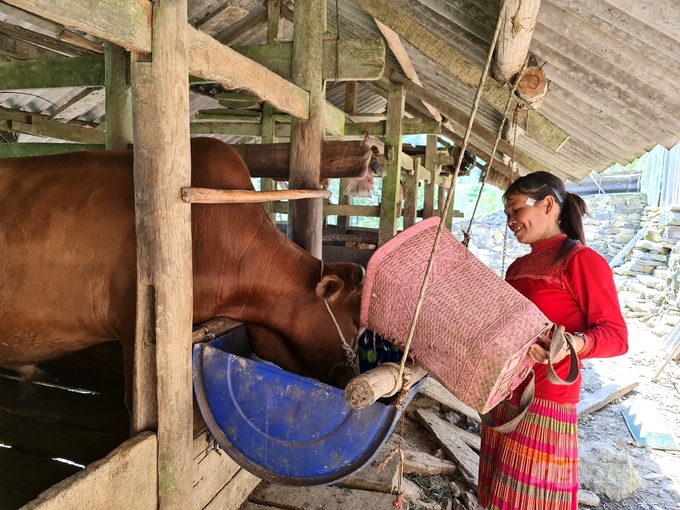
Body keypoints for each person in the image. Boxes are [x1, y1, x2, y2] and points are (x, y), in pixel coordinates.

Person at [477, 172, 628, 510]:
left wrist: (571, 344)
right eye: (506, 214)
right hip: (504, 395)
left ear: (547, 204)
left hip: (545, 402)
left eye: (515, 210)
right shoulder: (516, 267)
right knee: (499, 500)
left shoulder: (581, 261)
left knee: (530, 502)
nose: (510, 220)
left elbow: (616, 336)